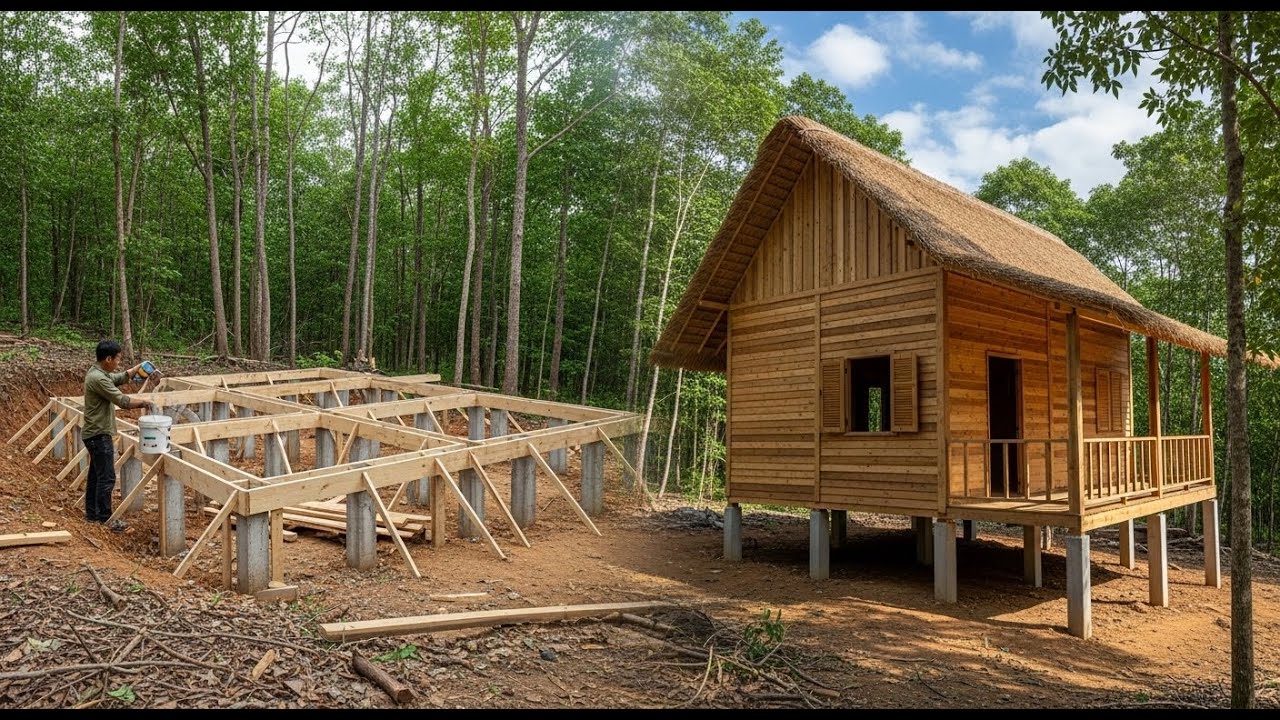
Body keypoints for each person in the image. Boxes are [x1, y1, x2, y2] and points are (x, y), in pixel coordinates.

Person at [82, 339, 154, 531]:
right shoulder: (98, 379)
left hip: (94, 433)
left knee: (96, 476)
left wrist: (137, 369)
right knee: (106, 478)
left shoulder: (97, 373)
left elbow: (120, 377)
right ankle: (105, 519)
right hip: (99, 434)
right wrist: (144, 402)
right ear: (108, 359)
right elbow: (122, 401)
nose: (118, 362)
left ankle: (92, 515)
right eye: (117, 359)